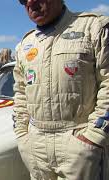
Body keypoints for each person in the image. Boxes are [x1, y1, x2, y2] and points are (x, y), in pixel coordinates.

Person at [13, 0, 109, 179]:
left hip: (79, 140)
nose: (30, 2)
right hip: (35, 145)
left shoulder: (93, 27)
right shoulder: (25, 44)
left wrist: (94, 136)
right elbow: (20, 93)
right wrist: (22, 135)